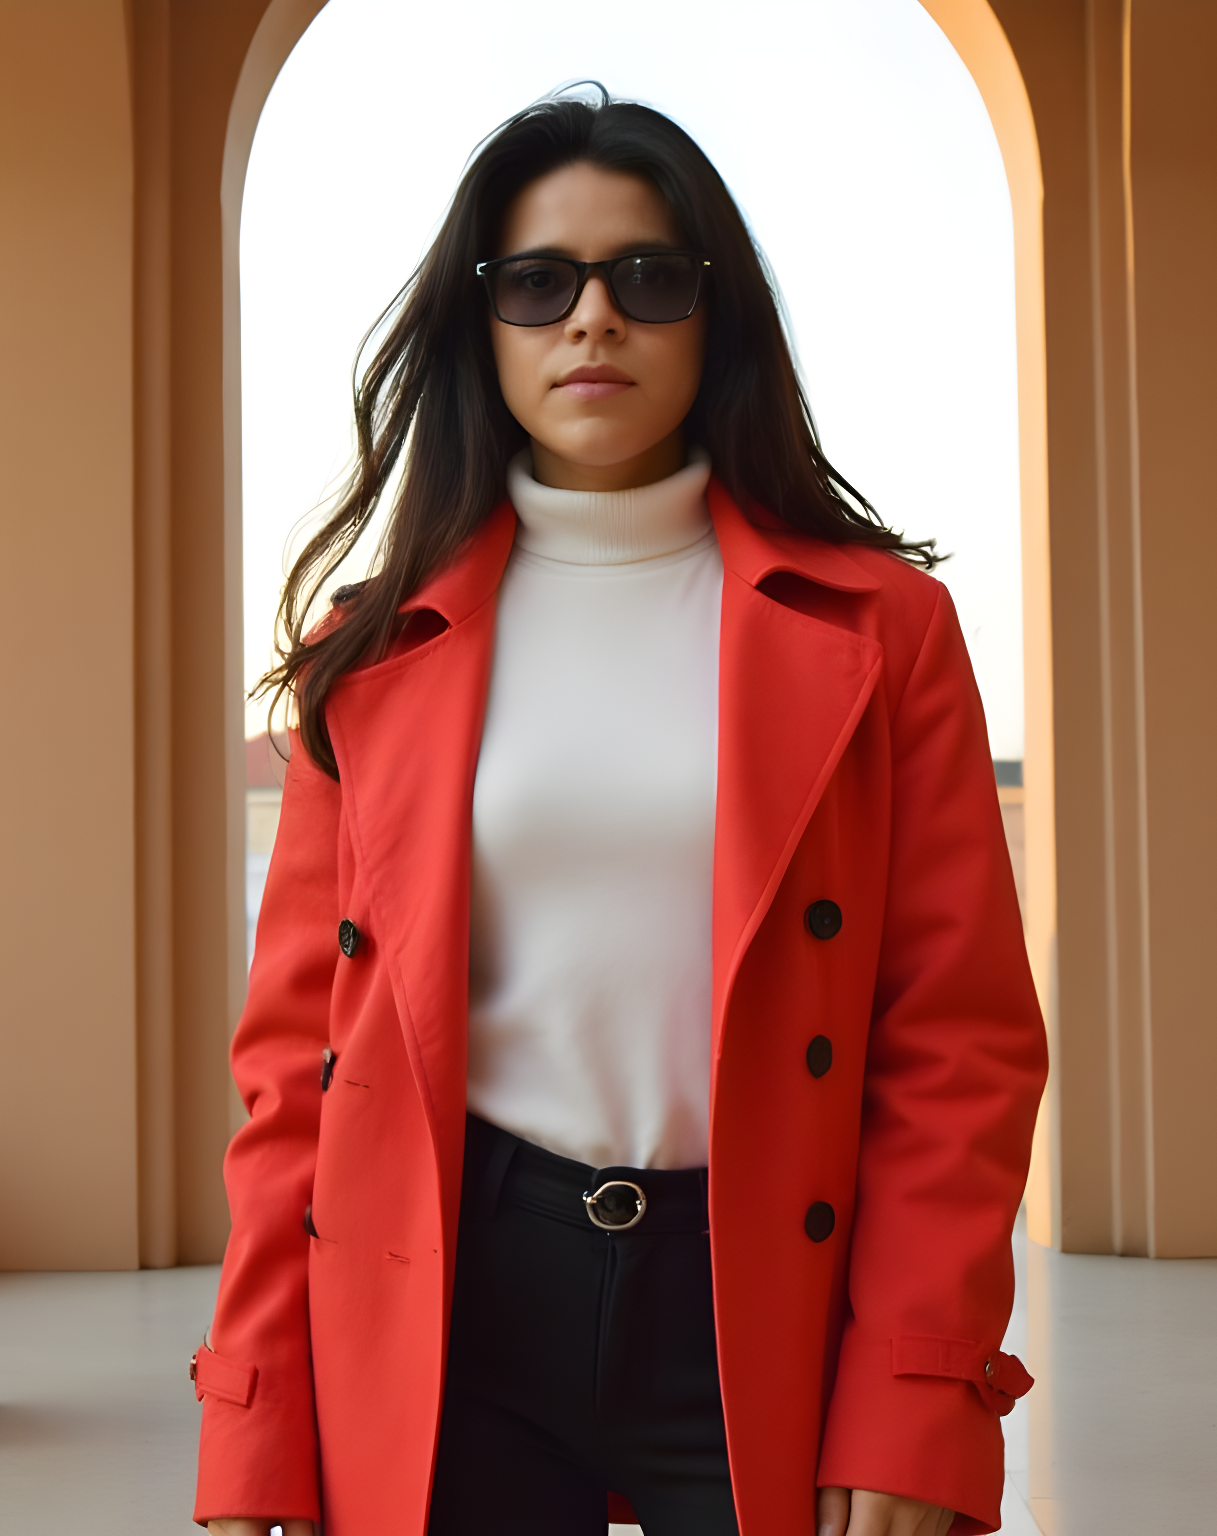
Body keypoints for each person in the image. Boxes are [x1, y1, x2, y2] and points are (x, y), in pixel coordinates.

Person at [194, 88, 1045, 1536]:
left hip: (763, 1282)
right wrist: (254, 1418)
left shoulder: (882, 632)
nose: (593, 318)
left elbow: (955, 1042)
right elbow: (297, 1076)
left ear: (715, 317)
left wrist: (917, 1385)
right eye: (538, 283)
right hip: (455, 1300)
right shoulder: (375, 649)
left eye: (648, 279)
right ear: (483, 327)